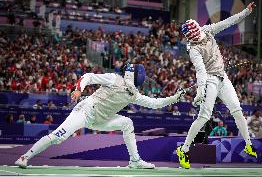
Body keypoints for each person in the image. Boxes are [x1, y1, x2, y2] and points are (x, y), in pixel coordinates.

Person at [15, 63, 185, 169]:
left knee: (127, 123)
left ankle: (135, 161)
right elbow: (88, 76)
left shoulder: (134, 95)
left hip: (101, 120)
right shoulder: (114, 78)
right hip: (85, 111)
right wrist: (78, 88)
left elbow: (155, 103)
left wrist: (175, 98)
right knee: (57, 137)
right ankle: (25, 157)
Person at [176, 2, 257, 169]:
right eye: (193, 36)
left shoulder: (207, 30)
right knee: (204, 116)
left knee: (237, 109)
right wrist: (200, 91)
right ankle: (183, 150)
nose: (197, 36)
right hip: (210, 81)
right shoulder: (193, 49)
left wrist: (245, 12)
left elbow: (228, 22)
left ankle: (248, 145)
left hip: (223, 78)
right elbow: (201, 72)